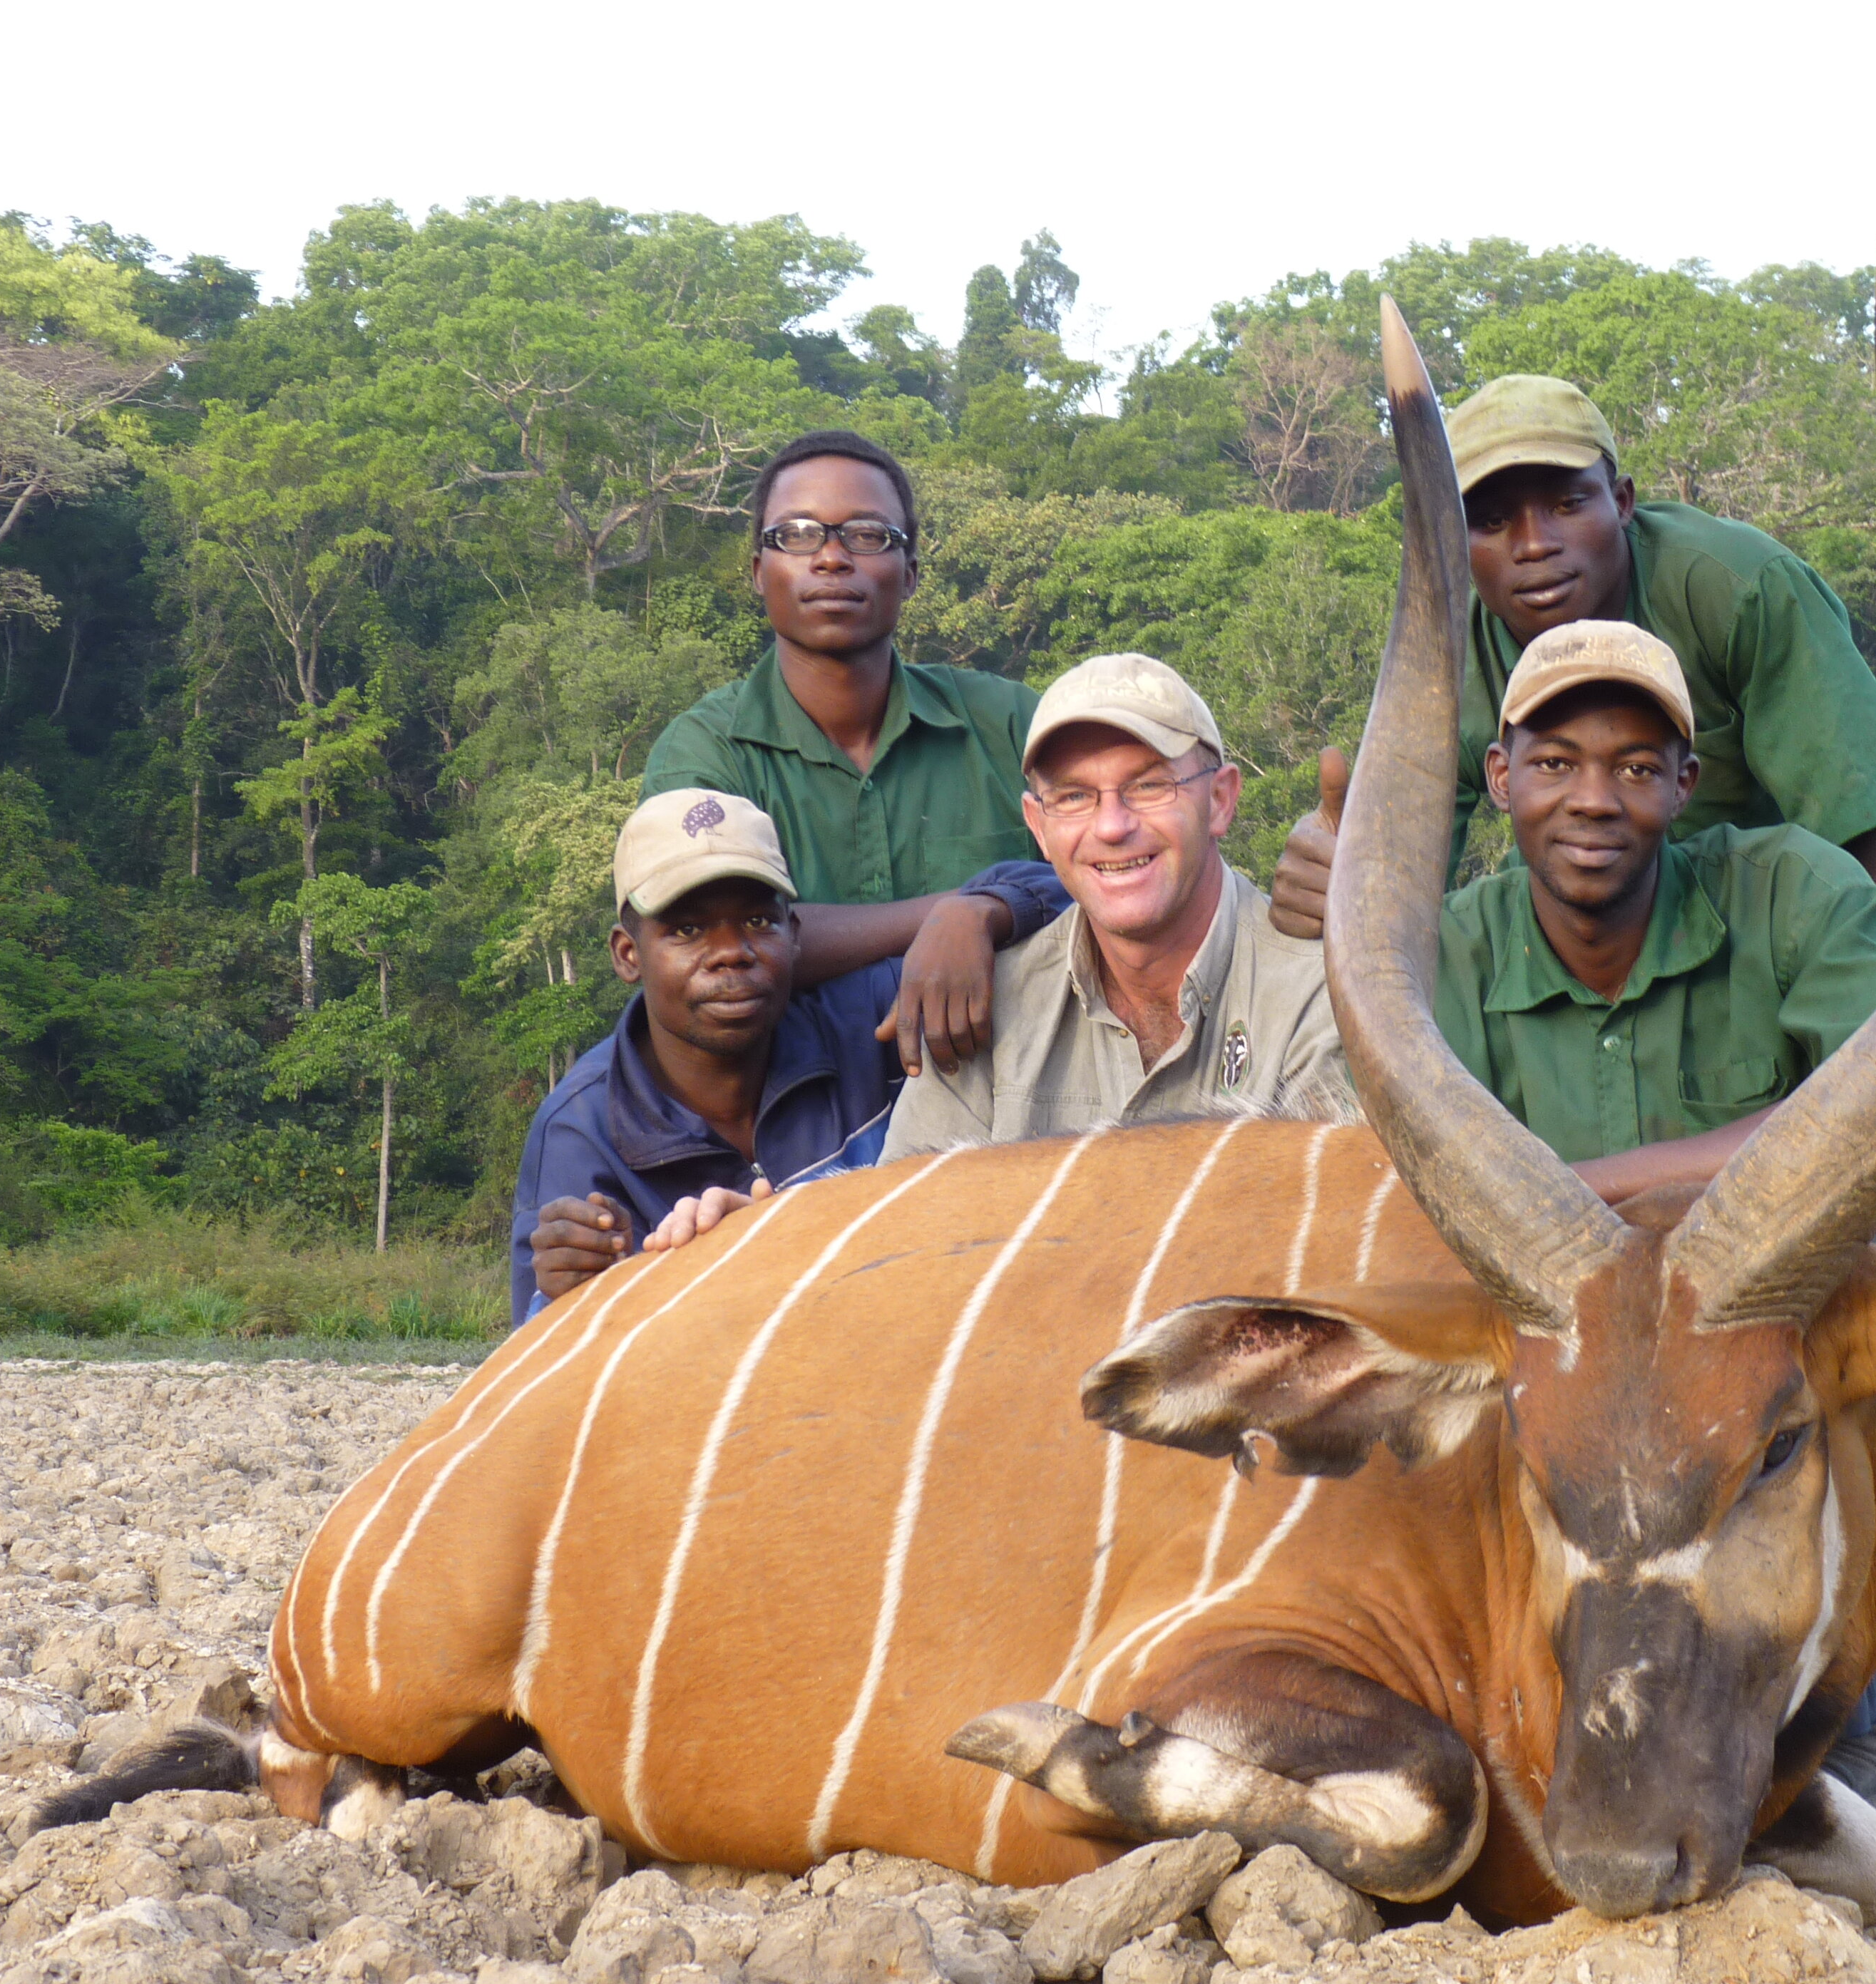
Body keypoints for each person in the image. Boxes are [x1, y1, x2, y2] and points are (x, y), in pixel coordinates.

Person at [1432, 619, 1876, 1820]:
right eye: (1556, 763)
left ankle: (1853, 1717)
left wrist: (1583, 1191)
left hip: (1753, 1333)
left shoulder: (1792, 889)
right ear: (1501, 777)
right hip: (1567, 1359)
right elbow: (1400, 1193)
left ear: (1685, 780)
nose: (1594, 798)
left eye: (1632, 765)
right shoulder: (1456, 946)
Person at [1272, 374, 1876, 944]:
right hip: (1579, 948)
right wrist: (1340, 881)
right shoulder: (1447, 659)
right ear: (1453, 538)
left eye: (1567, 503)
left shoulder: (1737, 591)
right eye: (1492, 521)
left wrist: (1854, 1028)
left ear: (1621, 502)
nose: (1533, 546)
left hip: (1755, 940)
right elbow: (1400, 891)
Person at [508, 788, 1057, 1323]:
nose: (730, 953)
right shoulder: (581, 1129)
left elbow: (1068, 894)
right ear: (629, 955)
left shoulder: (874, 1021)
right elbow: (540, 1368)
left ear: (795, 934)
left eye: (757, 922)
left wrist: (966, 915)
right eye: (688, 930)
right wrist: (561, 1289)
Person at [642, 428, 1057, 1074]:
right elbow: (715, 953)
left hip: (1013, 1106)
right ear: (758, 571)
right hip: (792, 1118)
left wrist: (989, 909)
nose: (832, 558)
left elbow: (1121, 874)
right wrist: (956, 915)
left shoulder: (1010, 725)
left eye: (867, 535)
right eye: (798, 534)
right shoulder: (706, 753)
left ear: (911, 572)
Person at [880, 652, 1343, 1156]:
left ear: (1220, 800)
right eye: (1074, 797)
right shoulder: (989, 1005)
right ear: (1038, 824)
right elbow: (909, 1222)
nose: (1111, 826)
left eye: (1148, 786)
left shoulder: (1318, 991)